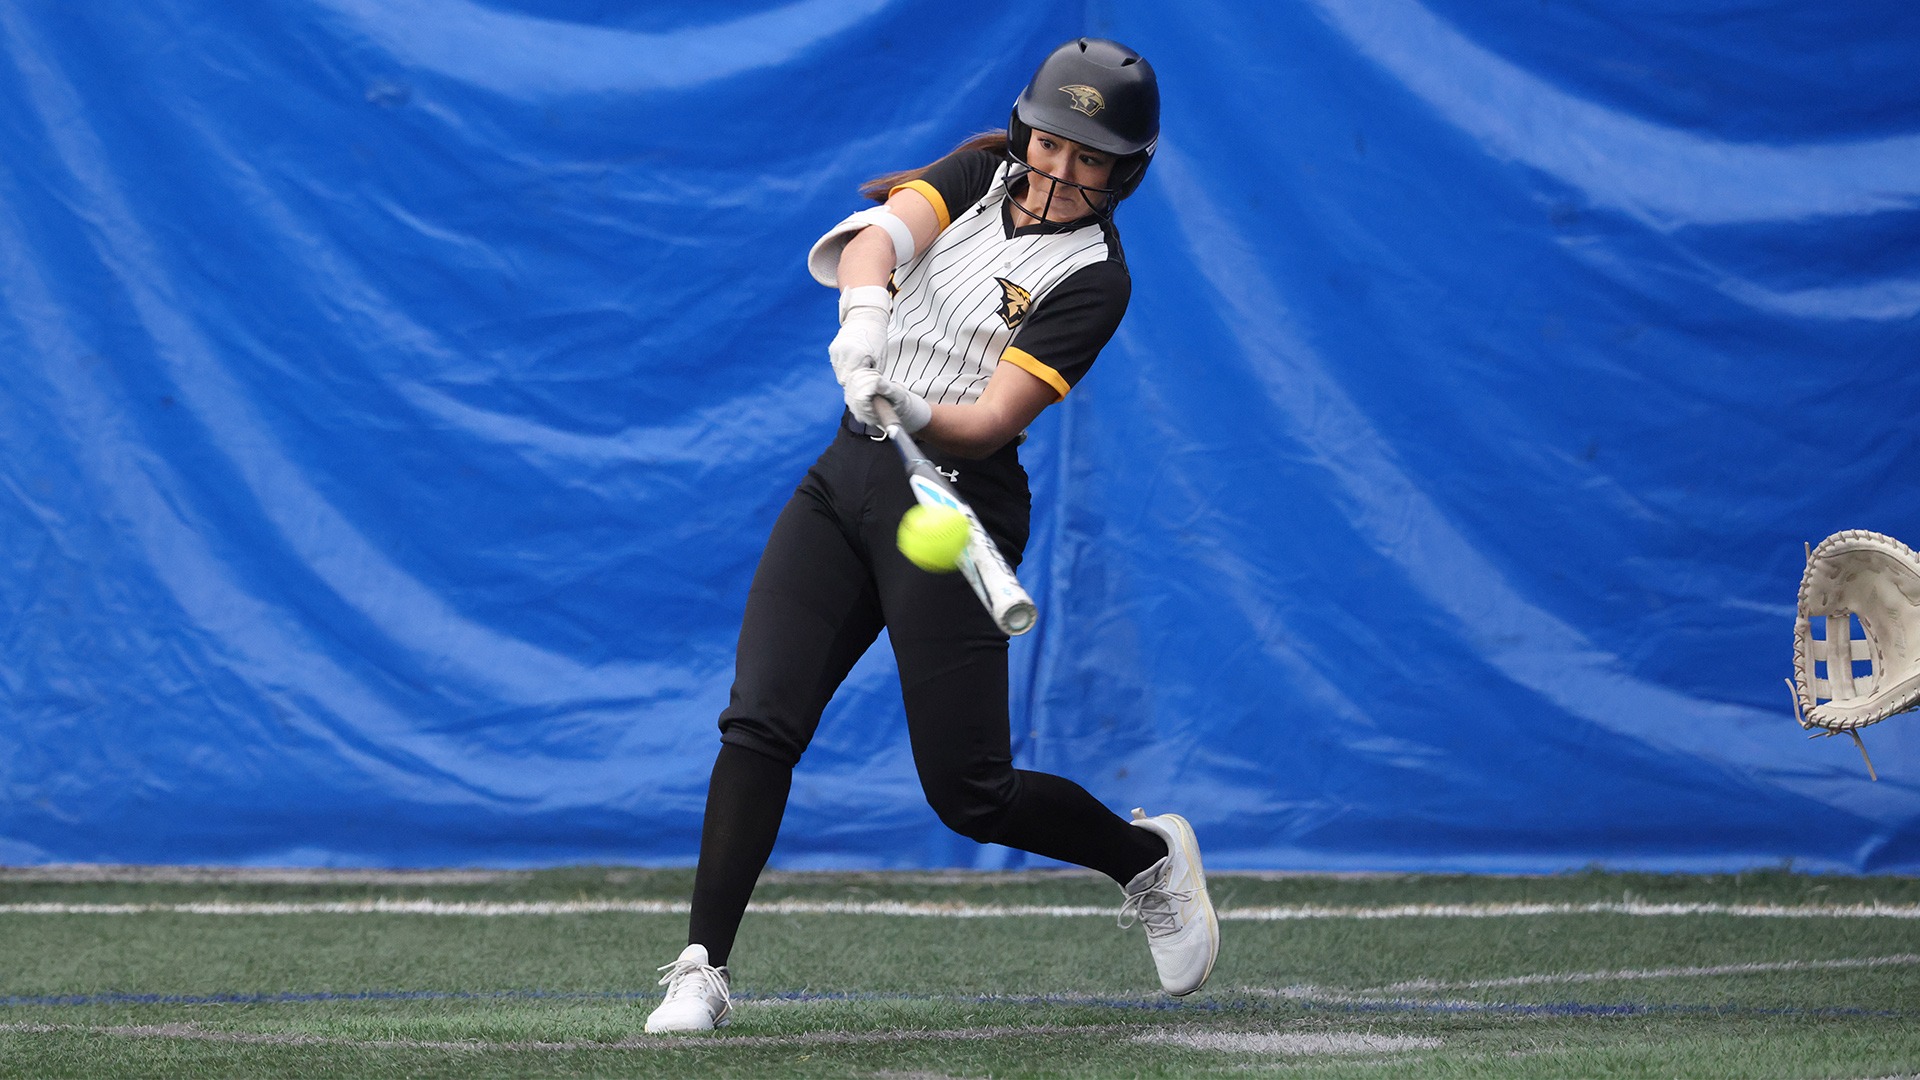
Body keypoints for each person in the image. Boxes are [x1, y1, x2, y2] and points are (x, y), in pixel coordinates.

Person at [644, 38, 1218, 1035]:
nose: (1060, 171)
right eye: (1052, 143)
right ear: (1027, 129)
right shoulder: (978, 169)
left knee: (973, 796)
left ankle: (1147, 862)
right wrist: (865, 323)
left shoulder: (1096, 278)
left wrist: (908, 398)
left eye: (1092, 159)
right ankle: (702, 967)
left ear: (1125, 172)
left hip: (956, 506)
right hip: (848, 480)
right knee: (760, 723)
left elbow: (991, 419)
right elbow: (875, 241)